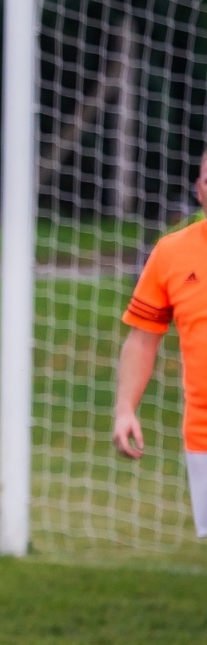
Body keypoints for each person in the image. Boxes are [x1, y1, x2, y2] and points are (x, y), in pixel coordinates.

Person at [113, 151, 207, 538]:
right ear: (199, 189)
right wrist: (124, 409)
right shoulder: (171, 252)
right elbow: (142, 339)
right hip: (202, 436)